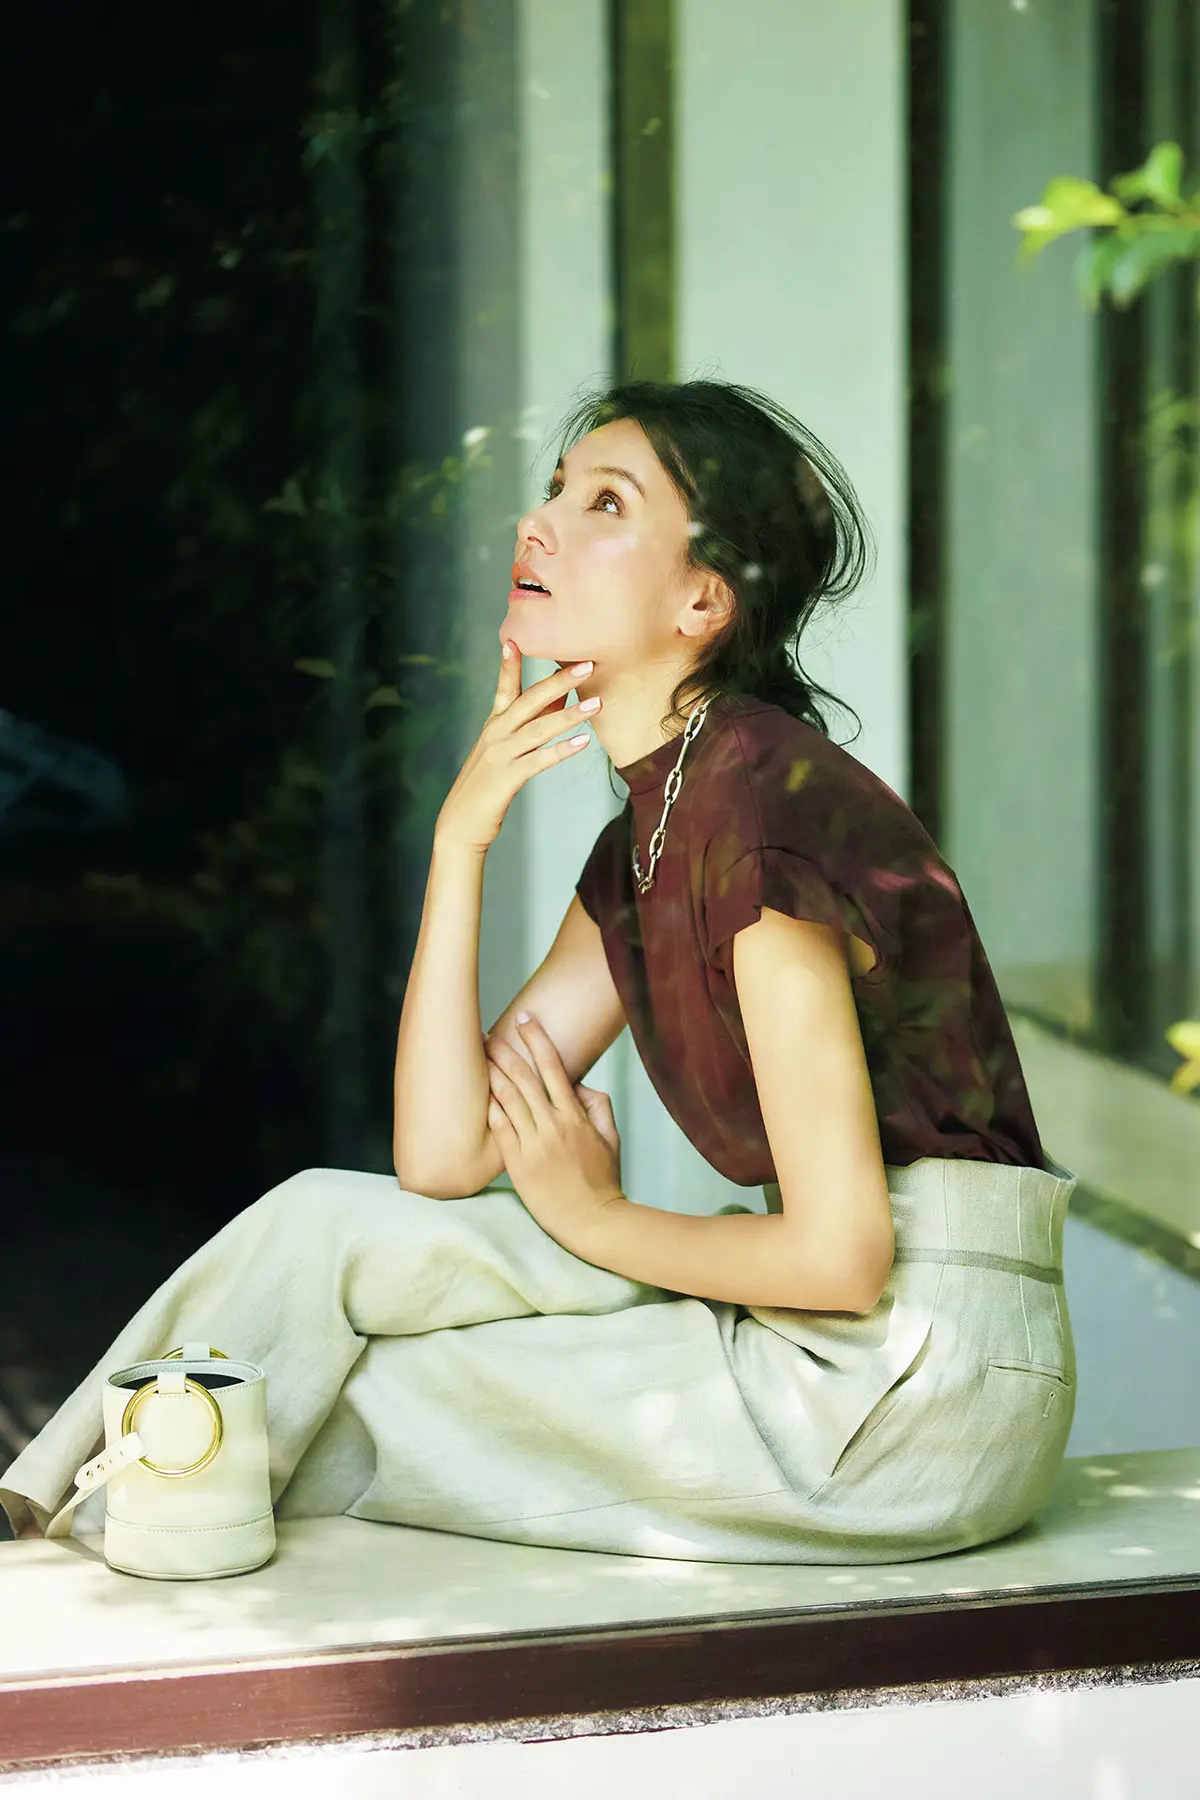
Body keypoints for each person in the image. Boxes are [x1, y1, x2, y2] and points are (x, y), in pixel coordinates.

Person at [1, 378, 1077, 1565]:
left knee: (328, 1404)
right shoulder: (657, 832)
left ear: (704, 600)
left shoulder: (759, 821)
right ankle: (40, 1517)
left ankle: (55, 1554)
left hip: (912, 1390)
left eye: (605, 503)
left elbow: (841, 1257)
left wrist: (595, 1217)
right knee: (321, 1228)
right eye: (557, 490)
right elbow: (444, 1155)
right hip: (820, 1342)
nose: (540, 523)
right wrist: (460, 843)